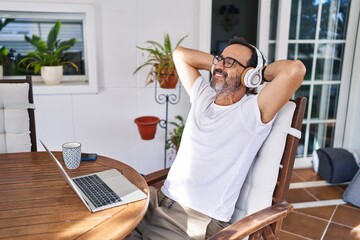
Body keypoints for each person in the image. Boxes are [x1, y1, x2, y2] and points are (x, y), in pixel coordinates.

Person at [127, 36, 305, 240]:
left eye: (230, 62)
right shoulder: (203, 96)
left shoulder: (252, 112)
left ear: (250, 76)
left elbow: (294, 70)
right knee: (99, 216)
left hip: (193, 221)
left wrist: (258, 74)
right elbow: (180, 54)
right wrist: (221, 63)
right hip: (158, 200)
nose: (219, 66)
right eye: (220, 59)